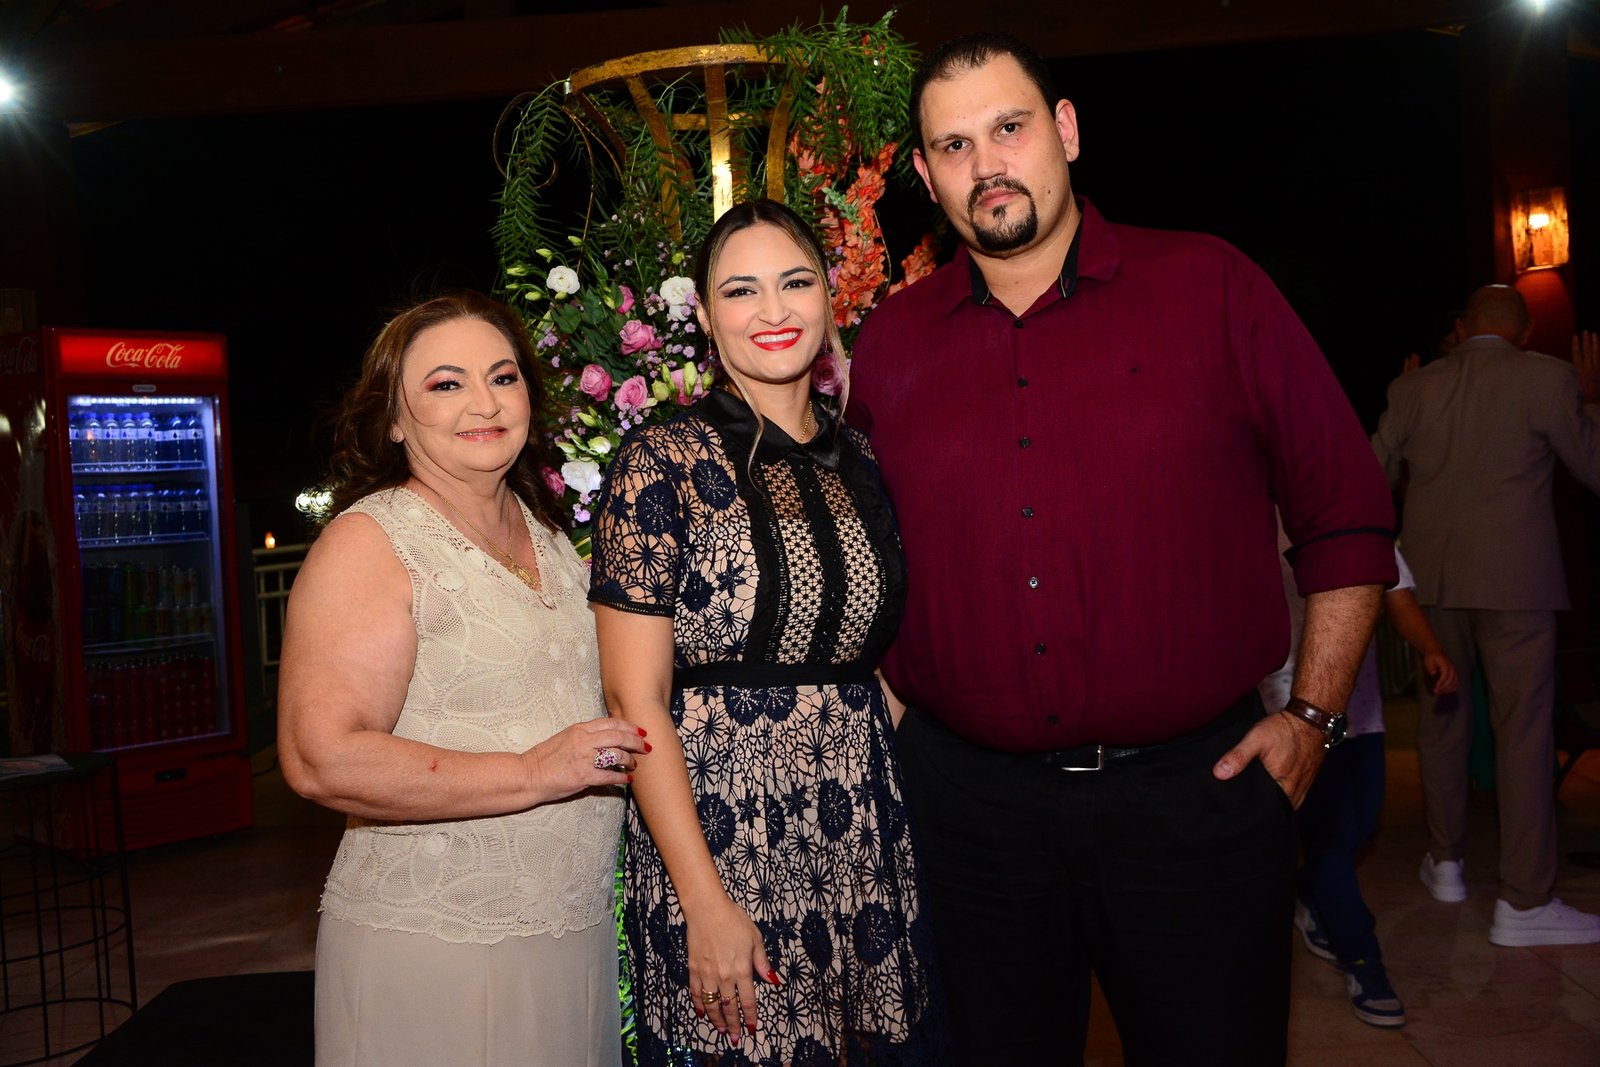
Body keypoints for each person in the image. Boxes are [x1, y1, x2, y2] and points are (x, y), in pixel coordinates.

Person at [848, 33, 1397, 1065]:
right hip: (971, 816)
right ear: (925, 173)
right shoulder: (891, 342)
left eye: (1009, 128)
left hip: (1195, 799)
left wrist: (1314, 719)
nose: (987, 164)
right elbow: (859, 551)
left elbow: (1348, 516)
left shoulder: (1211, 286)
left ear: (1065, 129)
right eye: (955, 146)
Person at [589, 199, 944, 1067]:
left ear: (828, 298)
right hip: (719, 836)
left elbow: (878, 656)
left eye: (794, 283)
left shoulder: (865, 460)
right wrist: (704, 901)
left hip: (861, 831)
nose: (773, 310)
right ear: (707, 320)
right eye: (741, 291)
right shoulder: (660, 463)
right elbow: (633, 698)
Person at [278, 291, 647, 1066]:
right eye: (446, 383)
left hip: (569, 936)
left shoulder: (548, 535)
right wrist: (530, 771)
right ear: (393, 417)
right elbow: (321, 756)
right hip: (437, 947)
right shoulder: (371, 543)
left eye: (503, 377)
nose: (484, 402)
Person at [1372, 286, 1600, 946]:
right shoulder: (1548, 377)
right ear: (1524, 332)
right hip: (1517, 583)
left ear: (1463, 327)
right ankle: (1524, 902)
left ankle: (1446, 862)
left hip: (1432, 583)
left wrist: (1412, 408)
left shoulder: (1414, 387)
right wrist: (1588, 400)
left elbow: (1366, 477)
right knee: (1522, 732)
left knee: (1443, 722)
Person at [1262, 531, 1457, 1028]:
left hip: (1361, 713)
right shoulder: (1258, 521)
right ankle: (1363, 960)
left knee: (1363, 824)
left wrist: (1430, 648)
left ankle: (1307, 894)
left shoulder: (1359, 523)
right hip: (1291, 715)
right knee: (1329, 843)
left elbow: (1399, 598)